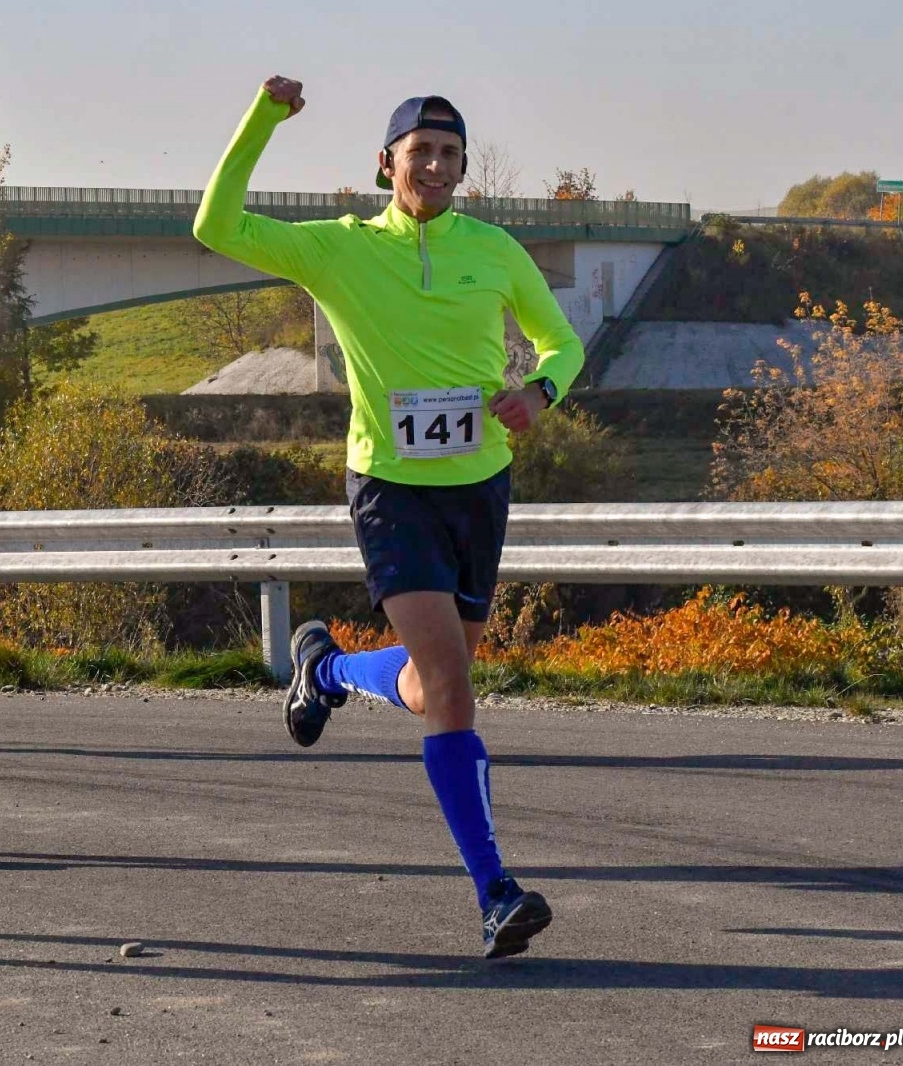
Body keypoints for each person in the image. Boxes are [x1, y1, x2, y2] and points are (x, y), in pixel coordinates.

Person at [193, 79, 583, 958]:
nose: (436, 167)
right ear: (387, 164)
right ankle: (495, 891)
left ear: (462, 168)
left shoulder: (495, 249)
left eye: (450, 155)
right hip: (391, 489)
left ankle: (325, 672)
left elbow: (563, 341)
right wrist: (262, 118)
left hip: (479, 486)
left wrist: (541, 389)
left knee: (430, 684)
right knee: (451, 686)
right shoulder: (339, 251)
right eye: (420, 154)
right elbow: (215, 226)